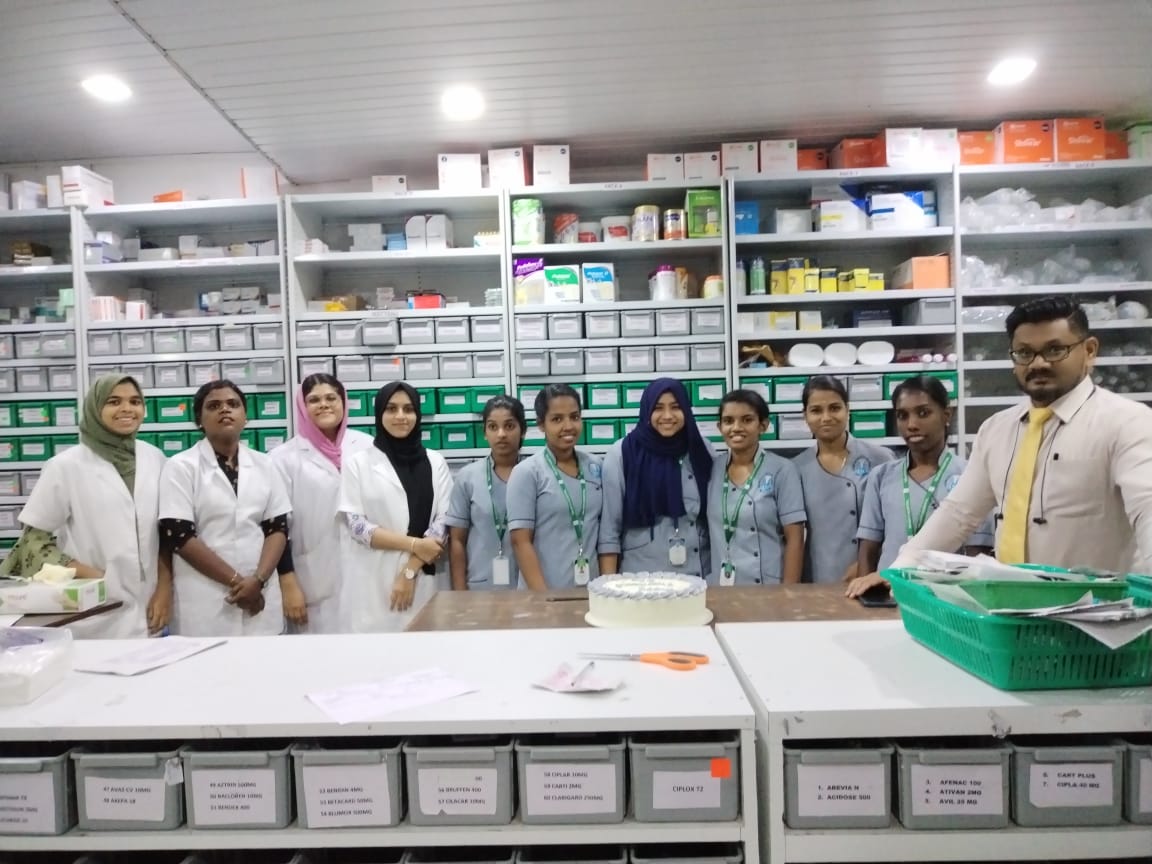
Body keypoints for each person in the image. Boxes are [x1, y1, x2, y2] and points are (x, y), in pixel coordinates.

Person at [890, 296, 1152, 574]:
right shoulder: (997, 429)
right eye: (1024, 353)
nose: (1038, 363)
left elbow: (1147, 507)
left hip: (1098, 600)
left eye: (1055, 350)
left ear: (1089, 351)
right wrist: (901, 568)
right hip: (1010, 597)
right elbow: (959, 512)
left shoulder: (1128, 423)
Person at [0, 374, 171, 638]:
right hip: (93, 613)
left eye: (135, 401)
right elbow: (33, 543)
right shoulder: (65, 466)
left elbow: (166, 532)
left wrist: (164, 588)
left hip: (150, 608)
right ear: (95, 407)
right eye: (114, 401)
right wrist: (95, 577)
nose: (127, 409)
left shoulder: (155, 458)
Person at [159, 379, 291, 637]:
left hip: (260, 592)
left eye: (233, 404)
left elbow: (277, 528)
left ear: (245, 416)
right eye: (213, 406)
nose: (225, 409)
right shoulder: (180, 467)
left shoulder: (265, 464)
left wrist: (258, 580)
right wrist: (239, 583)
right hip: (206, 598)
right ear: (199, 419)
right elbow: (180, 536)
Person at [846, 376, 995, 597]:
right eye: (902, 415)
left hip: (945, 599)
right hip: (888, 593)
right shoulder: (881, 477)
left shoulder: (970, 476)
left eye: (923, 413)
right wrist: (865, 595)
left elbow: (977, 554)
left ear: (946, 415)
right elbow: (868, 548)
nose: (912, 425)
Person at [338, 381, 453, 631]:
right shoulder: (357, 464)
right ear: (379, 414)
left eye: (408, 409)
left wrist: (409, 571)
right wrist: (416, 545)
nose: (400, 416)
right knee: (378, 651)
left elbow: (443, 522)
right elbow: (357, 527)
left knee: (426, 648)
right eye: (391, 409)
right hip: (373, 582)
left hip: (424, 578)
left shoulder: (435, 462)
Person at [270, 373, 374, 632]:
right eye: (314, 400)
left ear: (343, 402)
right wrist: (287, 581)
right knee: (318, 651)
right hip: (312, 577)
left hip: (368, 572)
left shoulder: (369, 447)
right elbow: (276, 526)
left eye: (331, 398)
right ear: (302, 407)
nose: (324, 404)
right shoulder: (282, 459)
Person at [599, 378, 714, 578]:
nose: (667, 416)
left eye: (676, 407)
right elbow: (610, 530)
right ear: (647, 410)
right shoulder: (623, 453)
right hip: (642, 580)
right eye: (658, 408)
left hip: (698, 576)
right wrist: (607, 585)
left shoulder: (701, 449)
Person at [792, 375, 894, 584]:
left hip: (873, 575)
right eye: (816, 410)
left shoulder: (881, 459)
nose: (826, 417)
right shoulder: (796, 468)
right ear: (805, 416)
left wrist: (866, 564)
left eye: (835, 408)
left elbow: (895, 523)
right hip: (819, 577)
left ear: (848, 410)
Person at [508, 384, 605, 589]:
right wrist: (544, 598)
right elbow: (520, 541)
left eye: (574, 417)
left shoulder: (595, 466)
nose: (568, 426)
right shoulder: (527, 472)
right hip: (544, 593)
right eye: (557, 419)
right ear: (541, 424)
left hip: (590, 590)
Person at [707, 389, 806, 586]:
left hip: (768, 587)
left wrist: (789, 592)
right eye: (728, 421)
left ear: (763, 425)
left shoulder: (782, 469)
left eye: (747, 420)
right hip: (721, 586)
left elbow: (795, 538)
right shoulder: (713, 468)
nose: (736, 428)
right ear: (719, 427)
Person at [445, 395, 527, 590]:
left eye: (509, 426)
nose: (501, 434)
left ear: (523, 430)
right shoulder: (468, 477)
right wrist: (460, 593)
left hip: (528, 587)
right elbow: (457, 540)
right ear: (484, 432)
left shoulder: (535, 475)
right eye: (493, 427)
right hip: (480, 589)